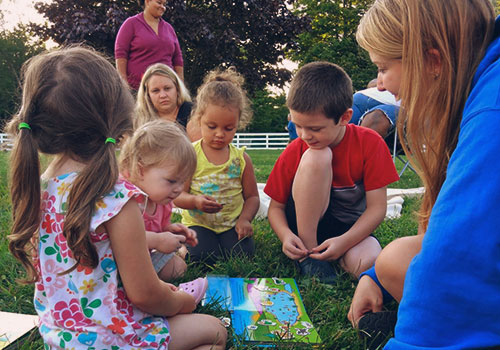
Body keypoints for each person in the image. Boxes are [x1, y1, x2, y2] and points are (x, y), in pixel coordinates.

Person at [5, 46, 226, 349]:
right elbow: (145, 294)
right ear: (117, 115)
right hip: (113, 338)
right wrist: (181, 301)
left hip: (62, 339)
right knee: (214, 332)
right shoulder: (114, 197)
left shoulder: (38, 188)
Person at [347, 1, 500, 349]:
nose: (381, 85)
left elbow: (457, 258)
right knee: (394, 258)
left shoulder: (493, 112)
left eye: (384, 67)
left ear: (432, 61)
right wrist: (375, 278)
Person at [264, 62, 399, 284]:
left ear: (345, 117)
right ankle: (309, 255)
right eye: (298, 126)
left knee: (368, 262)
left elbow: (377, 208)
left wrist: (344, 243)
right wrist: (286, 236)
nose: (305, 135)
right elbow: (276, 208)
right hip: (303, 225)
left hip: (348, 229)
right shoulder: (297, 148)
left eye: (315, 128)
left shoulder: (370, 143)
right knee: (318, 155)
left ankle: (332, 256)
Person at [174, 68, 260, 264]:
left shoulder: (241, 159)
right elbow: (177, 196)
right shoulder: (191, 155)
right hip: (199, 224)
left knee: (243, 255)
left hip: (232, 224)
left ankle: (223, 240)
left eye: (229, 128)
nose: (220, 134)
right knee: (201, 257)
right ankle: (183, 246)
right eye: (212, 127)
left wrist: (245, 219)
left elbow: (253, 197)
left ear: (239, 123)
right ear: (199, 119)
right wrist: (195, 202)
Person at [119, 120, 198, 283]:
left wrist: (169, 230)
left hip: (141, 260)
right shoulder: (126, 199)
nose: (178, 189)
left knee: (179, 268)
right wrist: (158, 240)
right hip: (115, 266)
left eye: (182, 181)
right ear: (141, 170)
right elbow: (121, 239)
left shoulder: (162, 201)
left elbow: (155, 228)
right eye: (171, 181)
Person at [115, 0, 184, 90]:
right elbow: (121, 53)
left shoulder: (169, 28)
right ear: (147, 2)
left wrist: (180, 86)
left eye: (164, 4)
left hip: (165, 89)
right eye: (159, 3)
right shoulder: (131, 24)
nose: (162, 7)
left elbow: (177, 59)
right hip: (137, 89)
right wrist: (123, 83)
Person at [135, 63, 193, 130]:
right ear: (147, 95)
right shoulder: (140, 121)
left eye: (167, 88)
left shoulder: (193, 113)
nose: (163, 95)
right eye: (155, 91)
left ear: (177, 88)